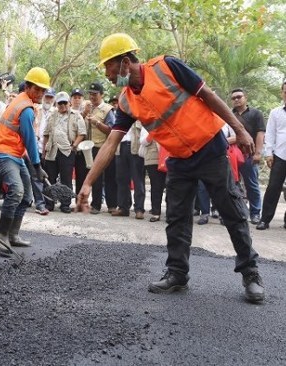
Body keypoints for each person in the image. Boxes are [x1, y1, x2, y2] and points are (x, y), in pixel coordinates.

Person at [77, 33, 264, 303]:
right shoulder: (126, 100)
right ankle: (177, 273)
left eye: (108, 66)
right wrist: (87, 183)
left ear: (126, 62)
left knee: (232, 212)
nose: (106, 74)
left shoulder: (167, 67)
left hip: (210, 149)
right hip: (178, 159)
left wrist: (239, 130)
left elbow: (209, 96)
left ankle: (250, 273)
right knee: (176, 217)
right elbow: (111, 143)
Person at [0, 67, 50, 256]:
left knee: (26, 196)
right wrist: (38, 166)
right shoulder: (26, 109)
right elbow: (30, 138)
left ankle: (13, 235)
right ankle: (1, 236)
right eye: (38, 89)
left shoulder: (25, 102)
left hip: (14, 154)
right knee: (16, 190)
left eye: (43, 90)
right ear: (28, 87)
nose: (41, 93)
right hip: (3, 153)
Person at [42, 91, 87, 213]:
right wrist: (43, 151)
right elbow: (46, 134)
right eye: (60, 103)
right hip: (52, 150)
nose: (62, 105)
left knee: (66, 178)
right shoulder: (52, 115)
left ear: (69, 103)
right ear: (56, 104)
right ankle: (49, 203)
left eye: (64, 103)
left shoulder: (76, 115)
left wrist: (74, 145)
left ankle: (65, 204)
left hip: (67, 151)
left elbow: (82, 133)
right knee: (50, 178)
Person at [78, 81, 117, 213]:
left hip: (104, 147)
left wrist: (97, 123)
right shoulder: (88, 108)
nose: (92, 97)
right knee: (95, 177)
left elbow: (112, 130)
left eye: (95, 94)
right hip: (90, 148)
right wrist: (84, 113)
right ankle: (96, 205)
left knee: (110, 177)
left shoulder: (107, 109)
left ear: (101, 95)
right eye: (90, 94)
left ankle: (112, 205)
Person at [231, 88, 266, 224]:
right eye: (233, 98)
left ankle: (255, 213)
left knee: (252, 185)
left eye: (239, 97)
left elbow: (260, 134)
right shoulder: (229, 114)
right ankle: (239, 212)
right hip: (233, 155)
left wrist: (258, 153)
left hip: (249, 155)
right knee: (232, 185)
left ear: (245, 97)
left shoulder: (256, 114)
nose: (236, 100)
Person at [256, 81, 286, 230]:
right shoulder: (276, 112)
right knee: (273, 187)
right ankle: (265, 220)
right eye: (285, 91)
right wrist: (269, 154)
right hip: (280, 155)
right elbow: (271, 134)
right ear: (282, 93)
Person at [139, 128, 166, 222]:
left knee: (171, 186)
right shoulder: (147, 124)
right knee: (156, 186)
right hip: (152, 158)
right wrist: (152, 134)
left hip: (168, 157)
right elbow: (143, 142)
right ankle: (156, 213)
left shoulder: (168, 121)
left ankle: (171, 213)